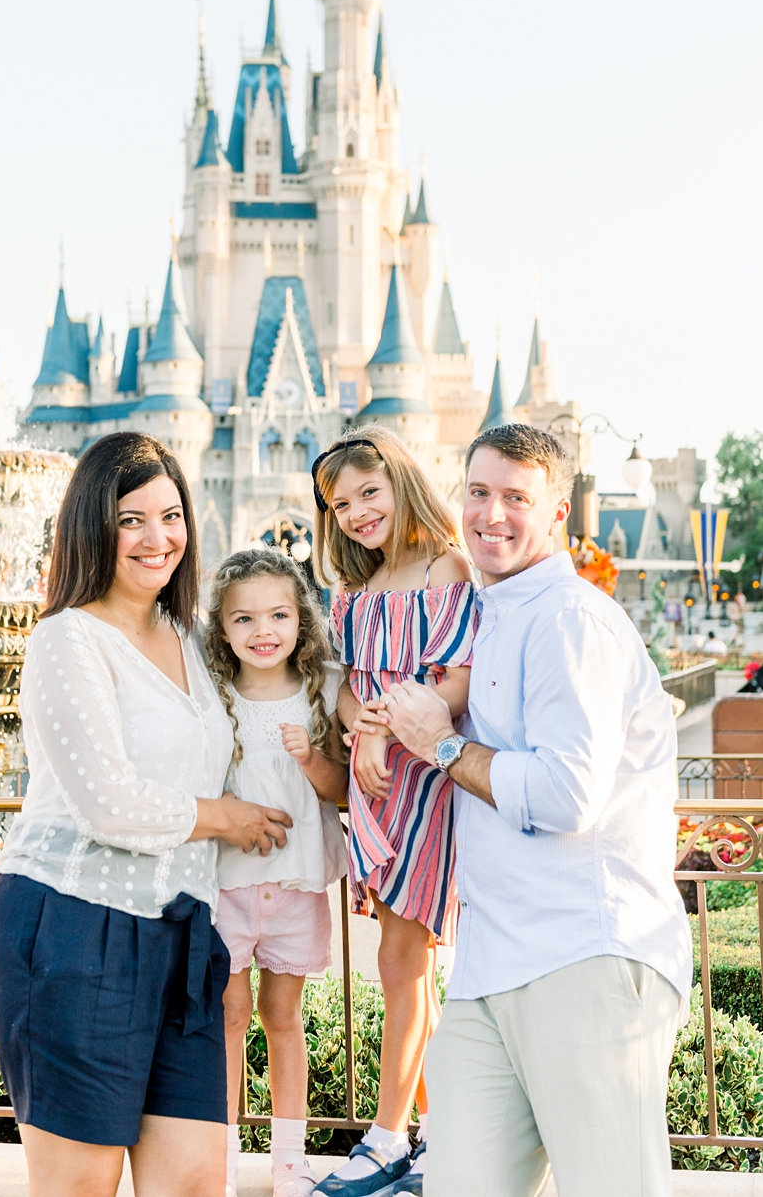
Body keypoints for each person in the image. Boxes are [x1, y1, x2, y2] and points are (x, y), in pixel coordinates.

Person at [367, 424, 692, 1197]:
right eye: (478, 493)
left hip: (584, 954)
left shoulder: (569, 620)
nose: (492, 514)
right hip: (489, 966)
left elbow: (564, 796)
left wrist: (441, 746)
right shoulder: (491, 614)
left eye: (517, 498)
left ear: (559, 514)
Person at [0, 432, 293, 1197]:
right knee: (79, 1187)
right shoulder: (68, 639)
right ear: (93, 525)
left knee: (193, 1183)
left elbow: (284, 681)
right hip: (71, 931)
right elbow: (108, 804)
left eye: (171, 515)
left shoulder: (189, 636)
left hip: (180, 938)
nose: (159, 539)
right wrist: (224, 817)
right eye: (132, 520)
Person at [310, 427, 477, 1197]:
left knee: (402, 963)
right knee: (407, 966)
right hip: (376, 789)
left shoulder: (447, 567)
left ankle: (385, 1139)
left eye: (367, 493)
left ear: (401, 482)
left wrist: (378, 729)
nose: (354, 512)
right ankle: (447, 1143)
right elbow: (345, 684)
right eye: (339, 504)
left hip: (424, 780)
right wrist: (355, 724)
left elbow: (456, 681)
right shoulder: (353, 595)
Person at [205, 546, 348, 1197]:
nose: (262, 632)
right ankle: (222, 1156)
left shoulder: (324, 688)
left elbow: (338, 791)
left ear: (300, 620)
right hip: (226, 884)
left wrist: (312, 756)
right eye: (244, 620)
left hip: (296, 882)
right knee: (230, 1016)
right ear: (222, 628)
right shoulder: (213, 697)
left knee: (283, 1018)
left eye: (277, 616)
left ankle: (290, 1158)